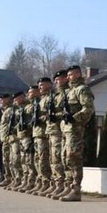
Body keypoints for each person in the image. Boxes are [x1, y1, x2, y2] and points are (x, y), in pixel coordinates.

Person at [56, 65, 95, 202]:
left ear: (78, 74)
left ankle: (76, 189)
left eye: (71, 75)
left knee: (74, 158)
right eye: (68, 75)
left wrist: (75, 117)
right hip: (65, 129)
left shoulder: (82, 90)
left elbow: (88, 108)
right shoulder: (68, 91)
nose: (68, 78)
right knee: (64, 158)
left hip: (75, 129)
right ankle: (68, 186)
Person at [29, 78, 52, 195]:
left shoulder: (49, 97)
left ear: (49, 85)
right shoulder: (40, 100)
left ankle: (46, 183)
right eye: (39, 85)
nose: (40, 87)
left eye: (42, 85)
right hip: (37, 133)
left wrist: (40, 118)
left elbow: (49, 114)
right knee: (37, 160)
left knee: (44, 160)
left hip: (44, 133)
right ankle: (41, 183)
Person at [47, 70, 68, 199]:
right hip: (52, 130)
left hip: (62, 130)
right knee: (52, 158)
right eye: (55, 80)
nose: (56, 82)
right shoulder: (54, 95)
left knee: (62, 158)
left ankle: (65, 186)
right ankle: (55, 184)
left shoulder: (67, 93)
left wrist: (57, 115)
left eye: (58, 79)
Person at [0, 93, 13, 186]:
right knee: (1, 158)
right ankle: (2, 176)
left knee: (9, 158)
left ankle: (8, 177)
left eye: (3, 99)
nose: (1, 101)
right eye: (0, 100)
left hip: (8, 138)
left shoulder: (11, 110)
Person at [6, 92, 24, 190]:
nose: (15, 101)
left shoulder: (24, 108)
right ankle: (15, 179)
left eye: (16, 99)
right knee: (12, 161)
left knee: (18, 160)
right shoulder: (14, 110)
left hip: (19, 138)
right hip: (12, 138)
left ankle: (20, 180)